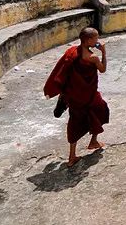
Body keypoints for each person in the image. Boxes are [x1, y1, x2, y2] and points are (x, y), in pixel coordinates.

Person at [44, 27, 109, 167]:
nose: (97, 40)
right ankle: (80, 151)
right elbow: (103, 69)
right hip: (88, 94)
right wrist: (103, 52)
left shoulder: (71, 51)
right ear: (88, 40)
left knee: (78, 120)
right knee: (100, 110)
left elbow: (63, 71)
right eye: (95, 38)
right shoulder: (93, 57)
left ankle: (81, 149)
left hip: (73, 94)